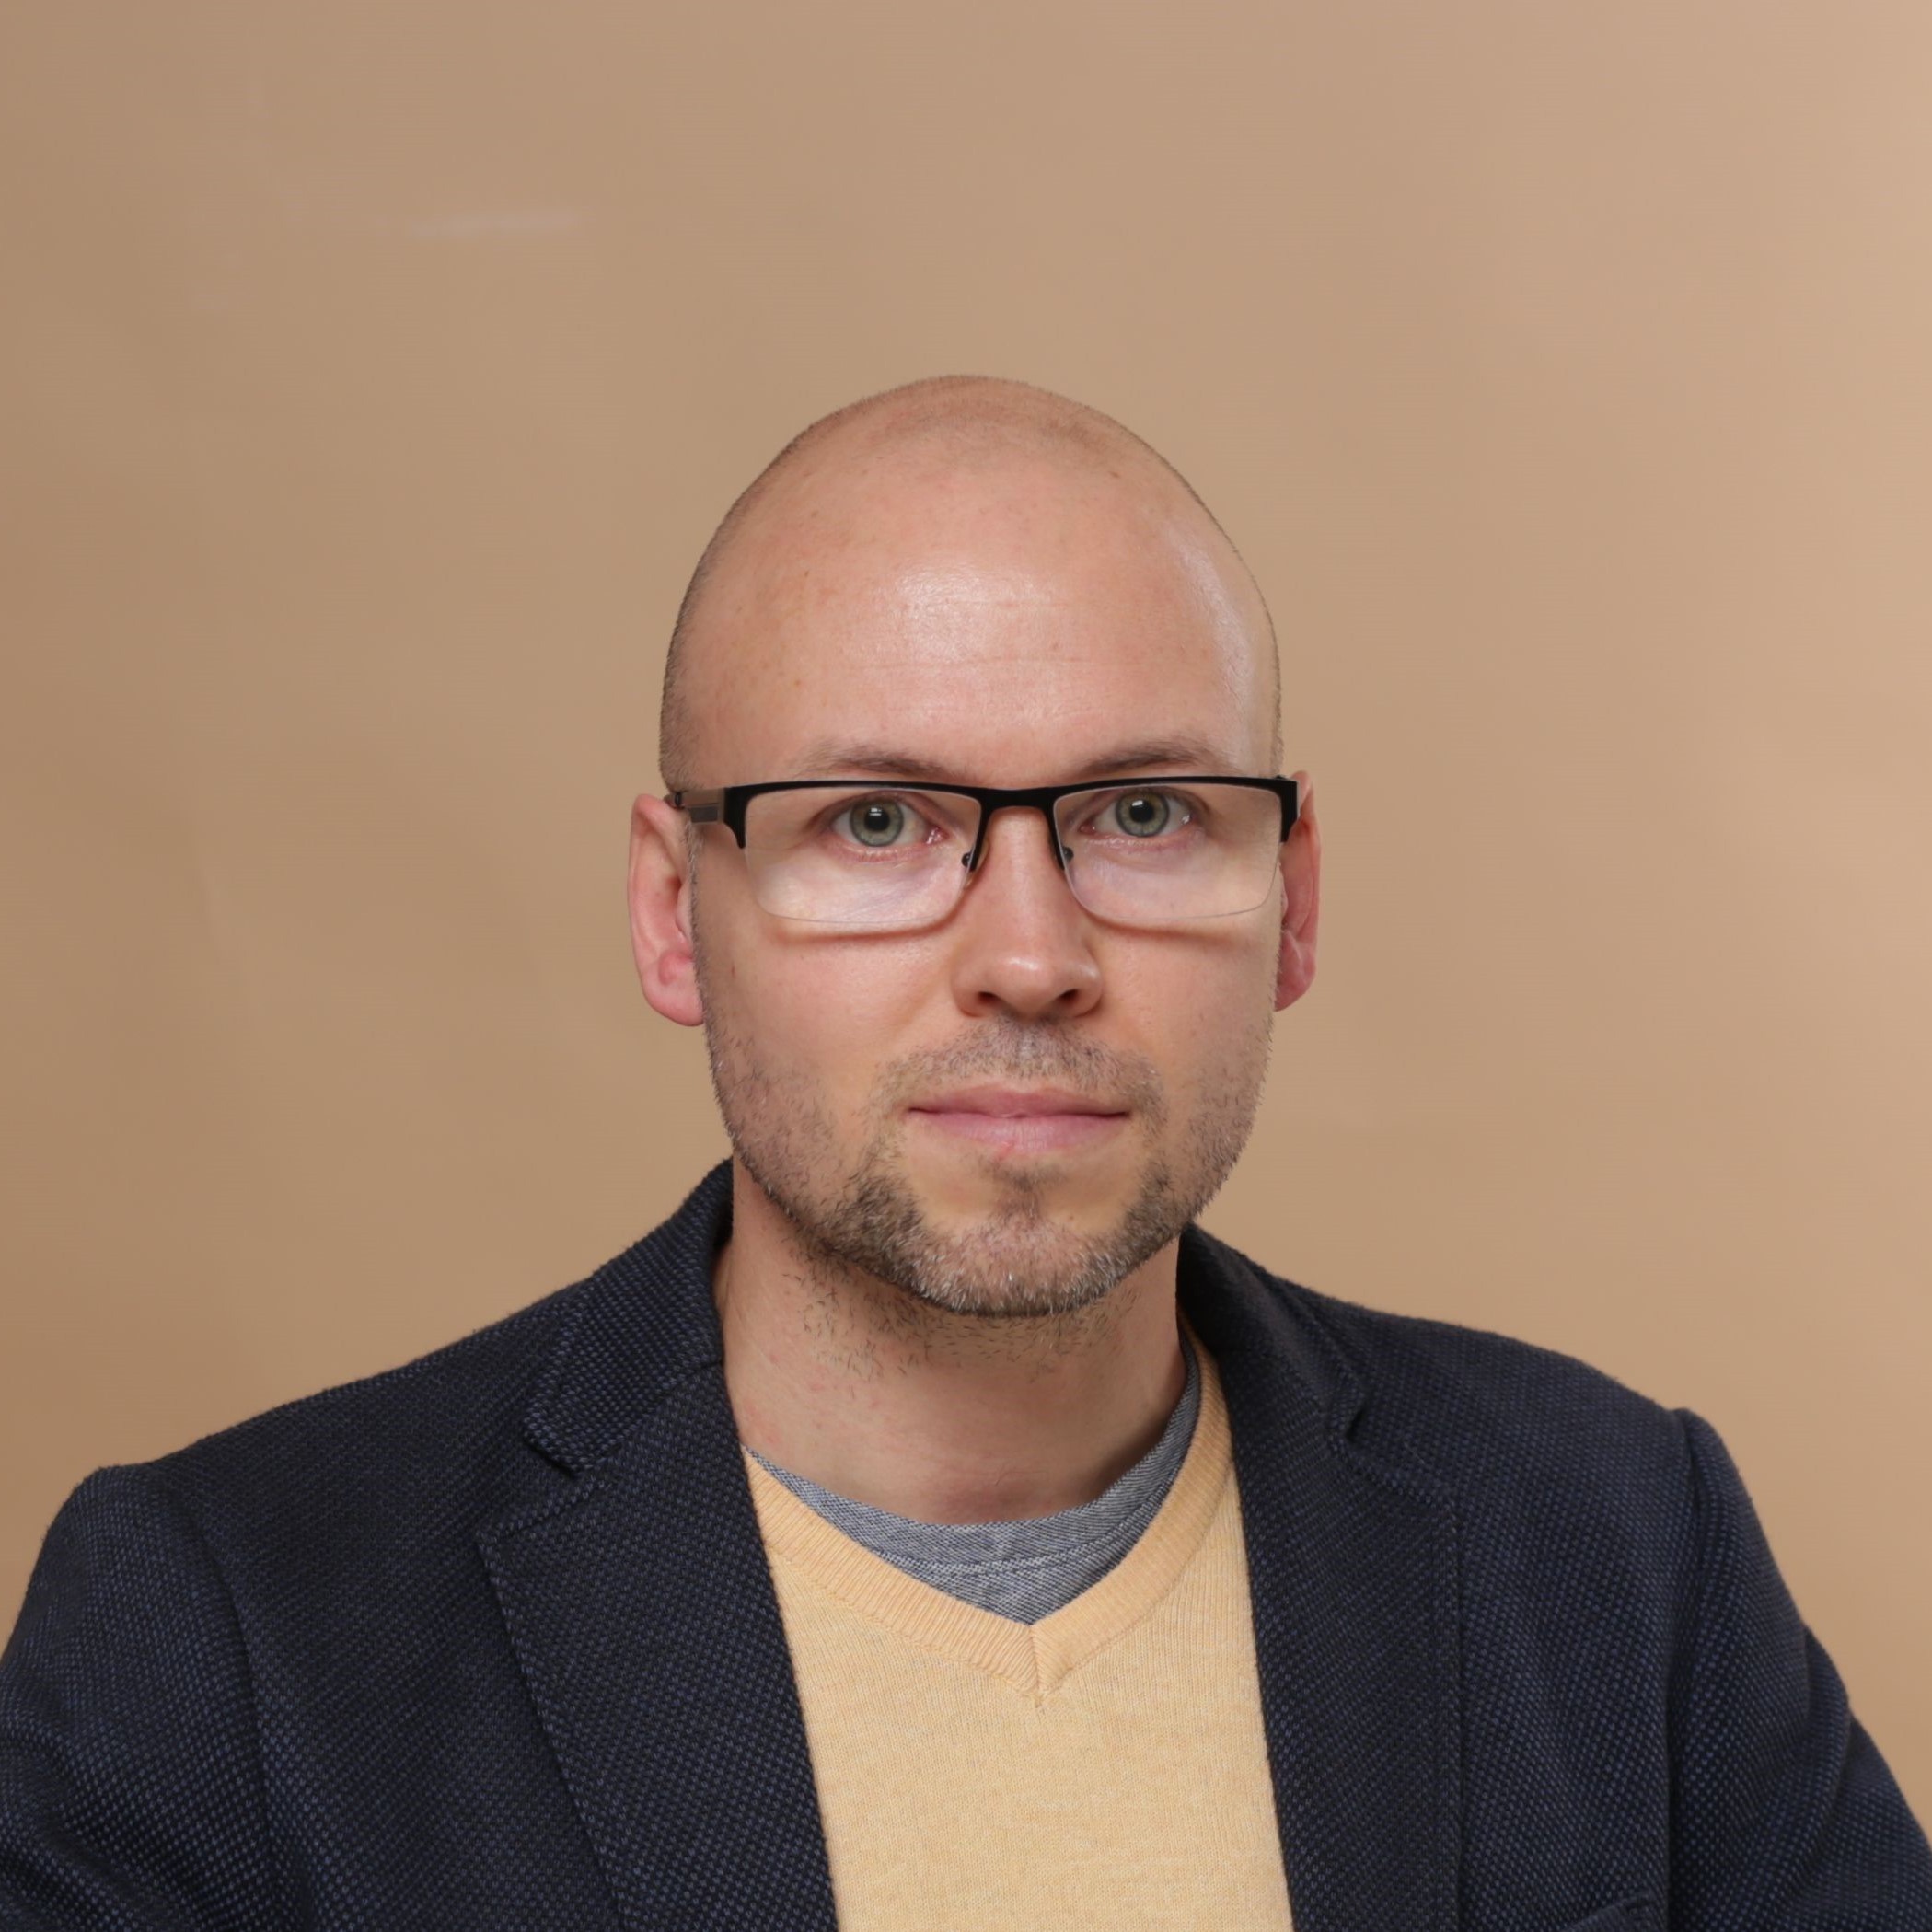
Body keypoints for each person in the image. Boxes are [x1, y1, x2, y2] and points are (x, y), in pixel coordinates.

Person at [1, 376, 1926, 1932]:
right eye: (874, 823)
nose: (1029, 955)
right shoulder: (227, 1640)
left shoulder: (1621, 1551)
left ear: (1294, 896)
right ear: (676, 914)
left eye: (1146, 813)